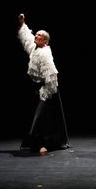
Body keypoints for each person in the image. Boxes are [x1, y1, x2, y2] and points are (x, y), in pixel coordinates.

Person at [16, 13, 70, 154]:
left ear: (45, 40)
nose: (36, 36)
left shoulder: (45, 52)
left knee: (44, 119)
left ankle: (48, 144)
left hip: (48, 89)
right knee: (37, 117)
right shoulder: (35, 48)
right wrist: (22, 23)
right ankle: (36, 143)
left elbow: (51, 75)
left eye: (39, 35)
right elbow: (27, 38)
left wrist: (45, 93)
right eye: (36, 34)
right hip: (38, 89)